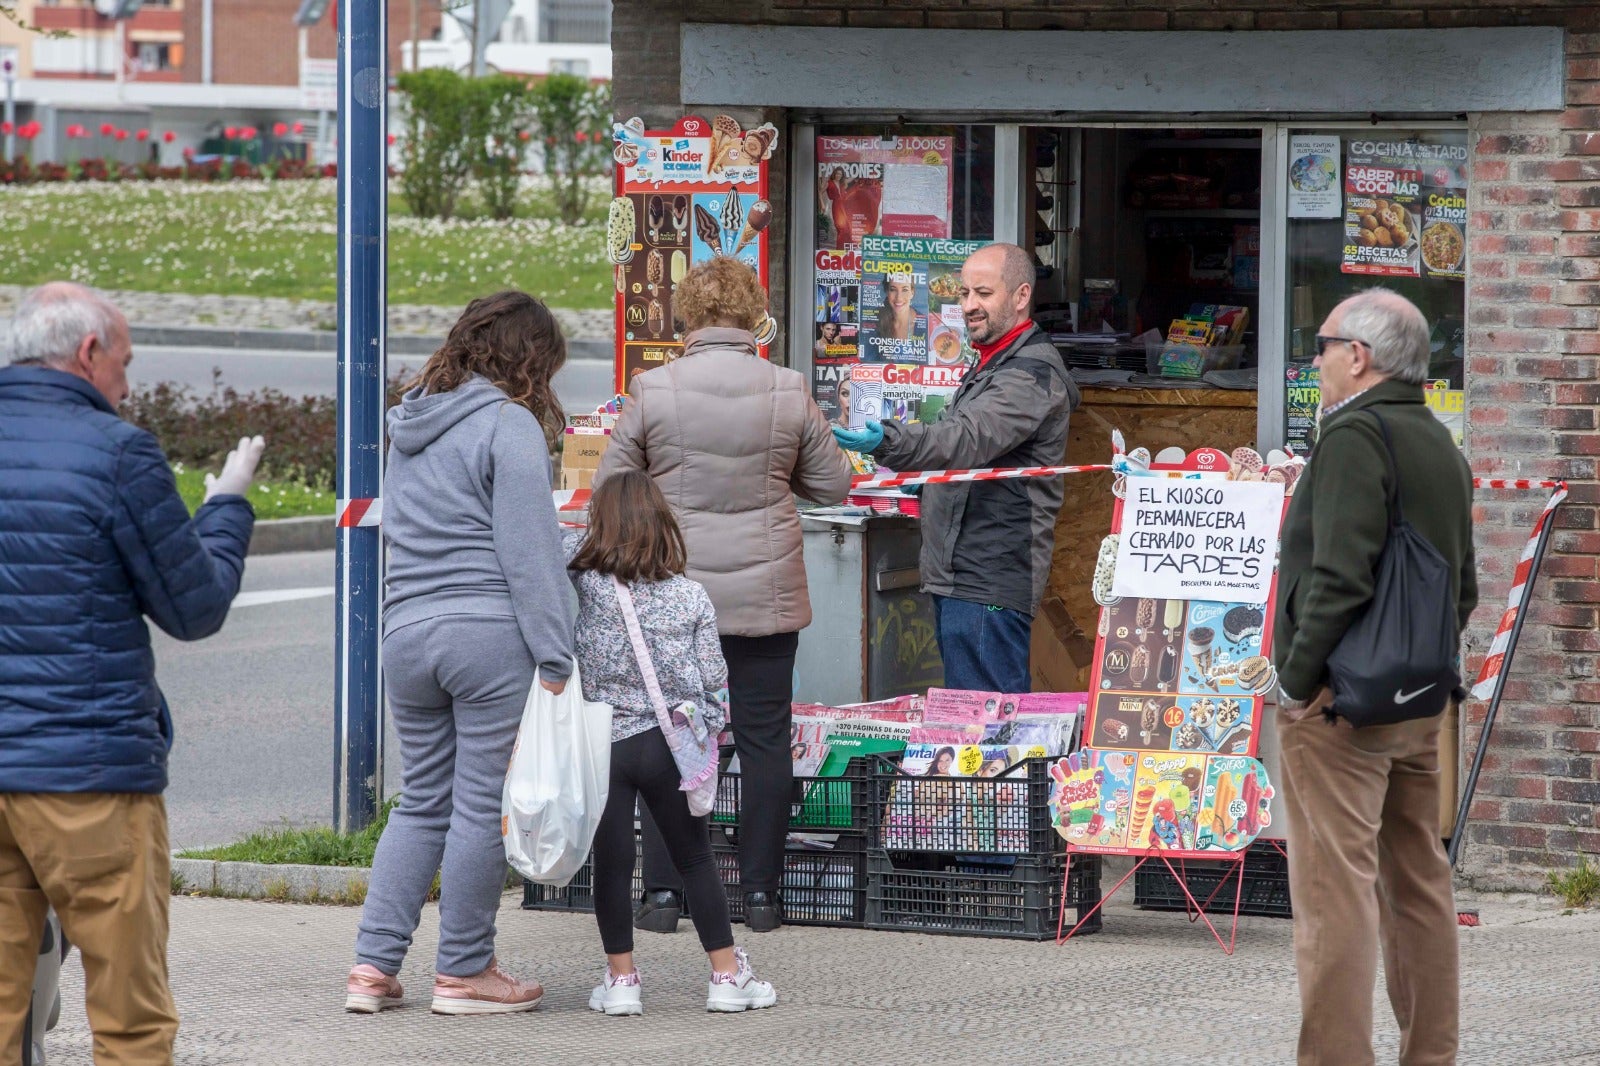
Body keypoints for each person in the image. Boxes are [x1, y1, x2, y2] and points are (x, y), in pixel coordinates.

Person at [0, 282, 261, 1062]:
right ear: (87, 353)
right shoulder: (116, 453)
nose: (128, 383)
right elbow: (195, 606)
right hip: (88, 778)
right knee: (129, 1014)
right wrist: (226, 505)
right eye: (125, 362)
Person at [596, 256, 852, 935]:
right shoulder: (789, 388)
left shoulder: (653, 390)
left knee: (668, 738)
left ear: (690, 318)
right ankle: (764, 896)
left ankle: (662, 897)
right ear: (751, 316)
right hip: (764, 595)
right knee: (765, 740)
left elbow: (612, 489)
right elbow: (834, 485)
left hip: (674, 597)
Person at [346, 291, 575, 1017]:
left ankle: (372, 968)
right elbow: (531, 555)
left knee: (420, 805)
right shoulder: (507, 426)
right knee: (479, 807)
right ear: (529, 359)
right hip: (485, 638)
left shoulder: (408, 423)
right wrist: (558, 656)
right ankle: (466, 970)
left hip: (406, 633)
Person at [1271, 289, 1477, 1065]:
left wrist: (1296, 682)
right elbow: (1464, 588)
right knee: (1419, 885)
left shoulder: (1354, 435)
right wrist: (1419, 669)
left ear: (1357, 356)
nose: (1315, 359)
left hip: (1340, 707)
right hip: (1418, 699)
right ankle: (1431, 1055)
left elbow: (1340, 576)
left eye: (1321, 345)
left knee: (1335, 896)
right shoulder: (1438, 440)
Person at [566, 471, 777, 1016]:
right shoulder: (690, 596)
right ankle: (727, 977)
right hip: (670, 744)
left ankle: (622, 982)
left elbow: (549, 541)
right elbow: (713, 679)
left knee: (611, 862)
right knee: (694, 857)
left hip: (604, 741)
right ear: (663, 524)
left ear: (601, 525)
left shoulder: (586, 584)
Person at [833, 242, 1080, 693]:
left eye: (983, 294)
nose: (969, 306)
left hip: (988, 577)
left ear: (1021, 296)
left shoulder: (1030, 376)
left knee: (986, 739)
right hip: (961, 573)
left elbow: (965, 439)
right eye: (964, 294)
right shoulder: (992, 363)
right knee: (967, 732)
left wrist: (888, 440)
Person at [875, 274, 918, 341]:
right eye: (893, 290)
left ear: (912, 292)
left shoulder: (925, 323)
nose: (899, 298)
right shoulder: (874, 320)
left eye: (904, 290)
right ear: (887, 292)